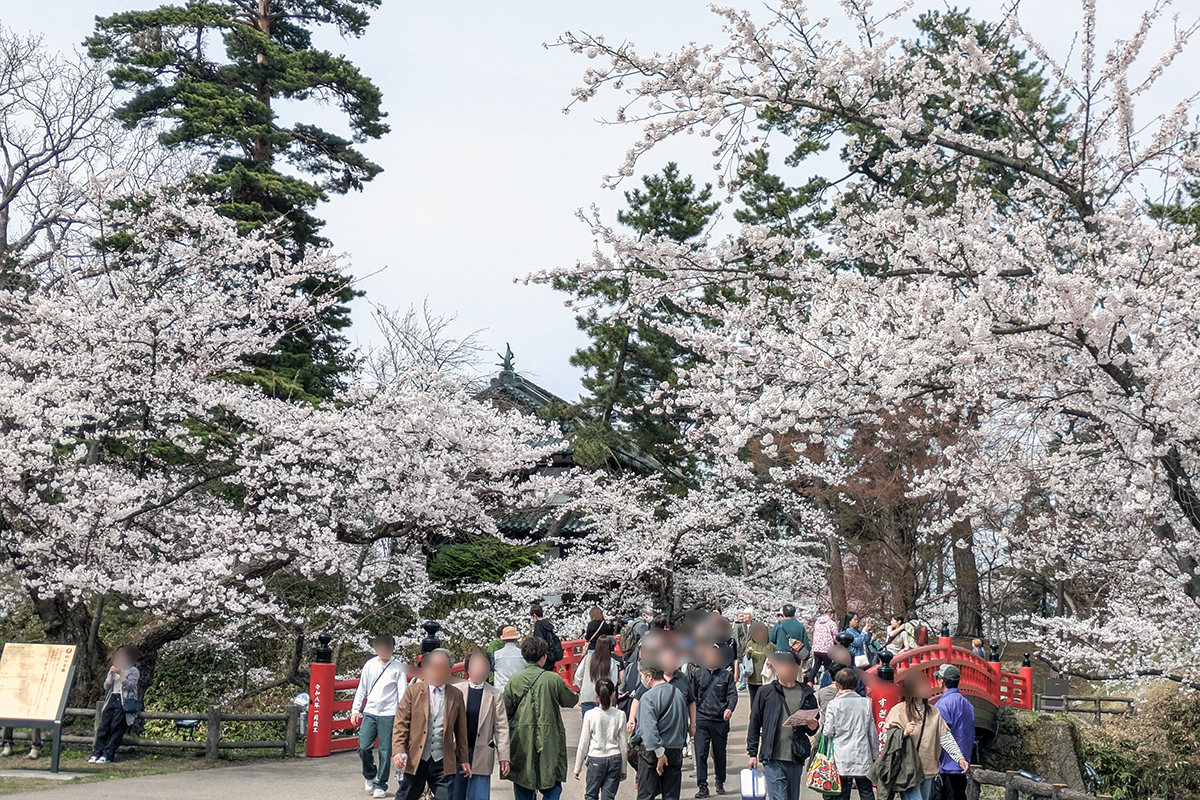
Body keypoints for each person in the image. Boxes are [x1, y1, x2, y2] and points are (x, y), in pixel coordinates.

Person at [504, 636, 579, 800]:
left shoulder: (514, 680)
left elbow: (506, 710)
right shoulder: (553, 679)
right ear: (543, 657)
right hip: (549, 738)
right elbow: (570, 700)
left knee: (523, 780)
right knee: (551, 780)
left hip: (521, 738)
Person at [391, 649, 471, 800]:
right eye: (432, 666)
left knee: (446, 796)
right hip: (416, 756)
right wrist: (398, 750)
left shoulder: (456, 695)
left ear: (449, 671)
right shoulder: (413, 692)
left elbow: (461, 730)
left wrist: (464, 758)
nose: (436, 671)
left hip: (442, 758)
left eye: (441, 668)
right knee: (406, 795)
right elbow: (401, 724)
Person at [882, 674, 970, 800]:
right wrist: (903, 733)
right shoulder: (898, 711)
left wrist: (959, 758)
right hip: (908, 770)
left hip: (928, 770)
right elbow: (887, 738)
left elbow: (945, 737)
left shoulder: (934, 712)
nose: (929, 688)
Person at [746, 650, 819, 800]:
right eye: (781, 665)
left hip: (795, 756)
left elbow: (812, 728)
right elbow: (754, 723)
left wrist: (813, 726)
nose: (785, 668)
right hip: (772, 756)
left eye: (789, 664)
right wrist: (752, 753)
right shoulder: (765, 692)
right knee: (779, 797)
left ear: (796, 667)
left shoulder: (807, 693)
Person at [351, 634, 409, 799]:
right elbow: (362, 688)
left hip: (389, 714)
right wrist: (355, 710)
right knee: (363, 747)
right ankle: (370, 774)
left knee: (385, 751)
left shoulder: (398, 667)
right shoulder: (370, 665)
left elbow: (402, 693)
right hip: (370, 711)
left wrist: (402, 716)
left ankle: (380, 784)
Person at [453, 649, 511, 800]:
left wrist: (504, 755)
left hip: (482, 751)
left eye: (484, 665)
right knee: (455, 792)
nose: (480, 669)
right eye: (476, 665)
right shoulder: (456, 691)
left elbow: (501, 728)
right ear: (468, 668)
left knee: (479, 795)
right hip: (458, 751)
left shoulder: (495, 695)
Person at [688, 642, 738, 798]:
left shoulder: (726, 676)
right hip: (702, 719)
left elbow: (732, 695)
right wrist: (692, 720)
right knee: (700, 753)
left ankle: (720, 781)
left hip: (719, 721)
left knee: (719, 753)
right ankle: (702, 786)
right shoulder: (698, 675)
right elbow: (692, 698)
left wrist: (729, 708)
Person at [635, 658, 689, 800]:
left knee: (646, 795)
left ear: (648, 676)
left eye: (642, 675)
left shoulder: (648, 697)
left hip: (653, 753)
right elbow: (683, 723)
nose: (642, 678)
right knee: (671, 795)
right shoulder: (677, 693)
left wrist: (660, 753)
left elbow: (648, 730)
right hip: (675, 748)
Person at [822, 669, 877, 800]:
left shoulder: (834, 704)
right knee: (866, 792)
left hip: (841, 755)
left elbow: (828, 731)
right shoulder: (865, 703)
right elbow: (872, 732)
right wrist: (875, 754)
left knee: (842, 793)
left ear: (837, 684)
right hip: (862, 754)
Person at [573, 678, 627, 800]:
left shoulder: (590, 715)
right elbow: (623, 744)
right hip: (615, 757)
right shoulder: (620, 715)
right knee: (609, 796)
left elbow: (583, 743)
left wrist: (578, 767)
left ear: (595, 693)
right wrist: (623, 768)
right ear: (613, 693)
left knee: (591, 795)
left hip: (596, 758)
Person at [89, 645, 139, 764]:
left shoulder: (133, 671)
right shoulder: (113, 668)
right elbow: (106, 687)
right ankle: (97, 753)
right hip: (112, 698)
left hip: (124, 700)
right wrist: (111, 675)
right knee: (104, 726)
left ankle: (108, 754)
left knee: (116, 728)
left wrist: (121, 674)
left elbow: (130, 686)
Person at [933, 665, 976, 800]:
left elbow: (940, 735)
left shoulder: (941, 705)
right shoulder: (968, 704)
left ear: (942, 681)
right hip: (964, 762)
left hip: (947, 764)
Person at [577, 635, 621, 718]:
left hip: (587, 696)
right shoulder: (611, 662)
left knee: (588, 724)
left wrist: (583, 687)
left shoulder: (587, 658)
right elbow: (613, 682)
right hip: (603, 698)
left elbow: (578, 676)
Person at [744, 622, 775, 706]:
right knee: (754, 703)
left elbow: (776, 659)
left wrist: (771, 663)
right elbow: (746, 658)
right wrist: (749, 653)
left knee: (765, 703)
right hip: (753, 679)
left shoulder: (770, 645)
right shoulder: (751, 644)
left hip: (766, 679)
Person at [808, 608, 838, 683]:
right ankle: (827, 682)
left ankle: (809, 682)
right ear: (832, 615)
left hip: (817, 648)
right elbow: (835, 636)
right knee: (827, 667)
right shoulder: (831, 623)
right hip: (827, 649)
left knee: (816, 666)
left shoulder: (817, 622)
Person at [531, 605, 564, 673]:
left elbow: (538, 641)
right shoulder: (548, 624)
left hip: (543, 658)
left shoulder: (538, 625)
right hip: (551, 656)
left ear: (535, 615)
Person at [492, 626, 525, 692]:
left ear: (503, 640)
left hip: (501, 689)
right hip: (518, 689)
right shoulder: (523, 654)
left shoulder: (496, 655)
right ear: (516, 640)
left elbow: (491, 669)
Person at [733, 610, 753, 692]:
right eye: (743, 615)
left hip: (751, 648)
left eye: (746, 615)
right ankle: (742, 684)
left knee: (751, 666)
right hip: (742, 648)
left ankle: (751, 683)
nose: (744, 616)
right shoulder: (740, 626)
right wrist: (738, 647)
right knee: (742, 667)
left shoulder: (754, 626)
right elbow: (736, 637)